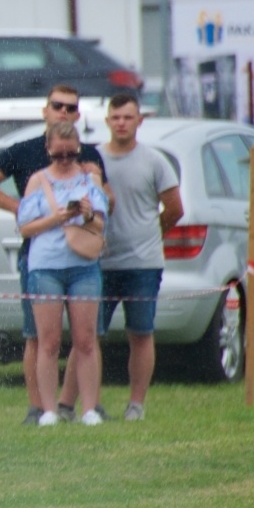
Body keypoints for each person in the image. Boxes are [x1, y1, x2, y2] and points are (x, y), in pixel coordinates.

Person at [0, 87, 107, 424]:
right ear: (45, 110)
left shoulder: (90, 159)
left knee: (86, 338)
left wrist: (91, 202)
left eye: (70, 107)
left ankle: (77, 406)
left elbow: (106, 208)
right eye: (57, 105)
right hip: (41, 260)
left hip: (82, 258)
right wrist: (23, 209)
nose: (63, 111)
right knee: (41, 337)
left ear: (78, 115)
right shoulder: (25, 152)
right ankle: (40, 408)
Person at [18, 121, 110, 426]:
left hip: (83, 266)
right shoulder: (38, 181)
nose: (65, 160)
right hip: (46, 266)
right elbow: (24, 227)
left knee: (85, 339)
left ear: (78, 150)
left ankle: (89, 408)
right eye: (59, 155)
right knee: (49, 341)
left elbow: (101, 224)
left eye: (71, 154)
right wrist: (56, 218)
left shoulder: (89, 179)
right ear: (48, 150)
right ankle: (48, 410)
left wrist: (86, 213)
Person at [98, 94, 183, 421]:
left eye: (128, 117)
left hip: (143, 265)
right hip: (100, 263)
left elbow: (174, 209)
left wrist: (151, 233)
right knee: (88, 336)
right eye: (116, 117)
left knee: (141, 332)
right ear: (107, 121)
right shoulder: (94, 159)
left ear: (139, 121)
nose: (121, 123)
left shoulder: (154, 161)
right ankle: (88, 403)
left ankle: (136, 404)